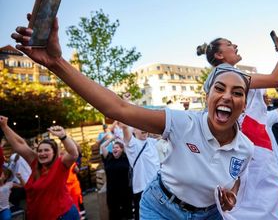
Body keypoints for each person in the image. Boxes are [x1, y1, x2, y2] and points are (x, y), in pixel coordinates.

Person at [11, 17, 254, 219]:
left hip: (210, 214)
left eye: (238, 93)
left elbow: (235, 181)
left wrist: (230, 196)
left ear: (244, 106)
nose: (227, 97)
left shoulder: (246, 149)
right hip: (161, 209)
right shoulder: (183, 123)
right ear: (207, 97)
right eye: (219, 89)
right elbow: (119, 109)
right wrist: (56, 63)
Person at [198, 37, 278, 219]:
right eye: (230, 44)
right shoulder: (228, 74)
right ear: (219, 54)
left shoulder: (224, 75)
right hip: (253, 146)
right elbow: (276, 79)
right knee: (263, 206)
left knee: (249, 205)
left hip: (246, 145)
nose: (236, 45)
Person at [0, 118, 80, 220]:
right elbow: (20, 144)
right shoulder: (35, 163)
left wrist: (63, 137)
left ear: (54, 153)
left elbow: (74, 154)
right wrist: (4, 126)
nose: (42, 153)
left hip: (62, 216)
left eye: (46, 150)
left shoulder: (60, 165)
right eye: (40, 151)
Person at [121, 125, 160, 220]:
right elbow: (126, 130)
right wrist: (125, 127)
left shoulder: (153, 142)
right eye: (139, 126)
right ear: (134, 130)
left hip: (157, 188)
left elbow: (165, 135)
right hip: (142, 190)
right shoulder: (133, 144)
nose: (143, 128)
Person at [101, 138, 133, 220]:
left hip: (125, 190)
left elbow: (127, 146)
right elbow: (102, 146)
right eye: (113, 147)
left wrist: (121, 139)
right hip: (112, 191)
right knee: (114, 213)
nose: (114, 149)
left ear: (122, 149)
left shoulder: (126, 157)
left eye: (117, 147)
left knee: (127, 212)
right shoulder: (109, 157)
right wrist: (112, 138)